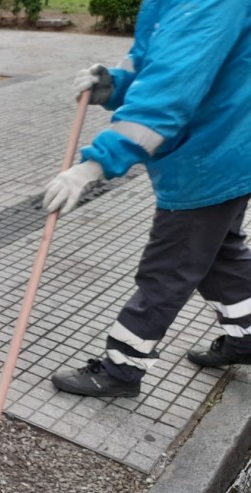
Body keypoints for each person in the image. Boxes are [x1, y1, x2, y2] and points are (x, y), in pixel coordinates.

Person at [43, 1, 251, 398]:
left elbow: (169, 92)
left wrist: (94, 165)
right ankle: (247, 337)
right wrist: (115, 85)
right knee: (219, 253)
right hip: (230, 150)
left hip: (208, 158)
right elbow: (154, 64)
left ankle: (121, 370)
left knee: (168, 271)